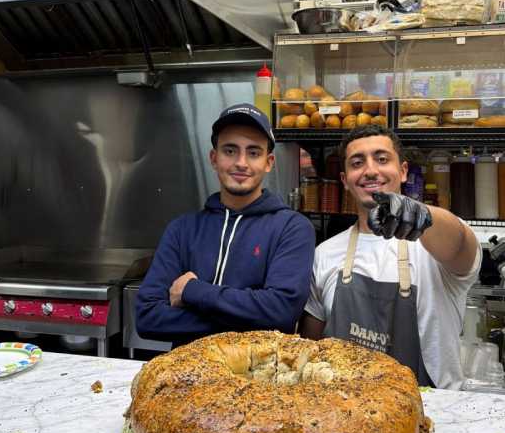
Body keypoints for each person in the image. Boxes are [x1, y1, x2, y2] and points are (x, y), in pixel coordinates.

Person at [299, 125, 480, 390]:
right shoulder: (324, 254)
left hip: (426, 416)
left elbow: (460, 244)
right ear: (345, 179)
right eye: (357, 163)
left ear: (403, 171)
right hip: (345, 414)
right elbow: (310, 350)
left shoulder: (435, 244)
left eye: (382, 159)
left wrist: (424, 217)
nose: (370, 170)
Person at [135, 103, 316, 345]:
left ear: (268, 162)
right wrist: (247, 319)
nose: (241, 163)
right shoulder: (182, 230)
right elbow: (147, 318)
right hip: (186, 376)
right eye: (230, 151)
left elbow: (280, 314)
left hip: (257, 378)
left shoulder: (292, 228)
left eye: (253, 152)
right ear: (214, 157)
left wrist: (192, 290)